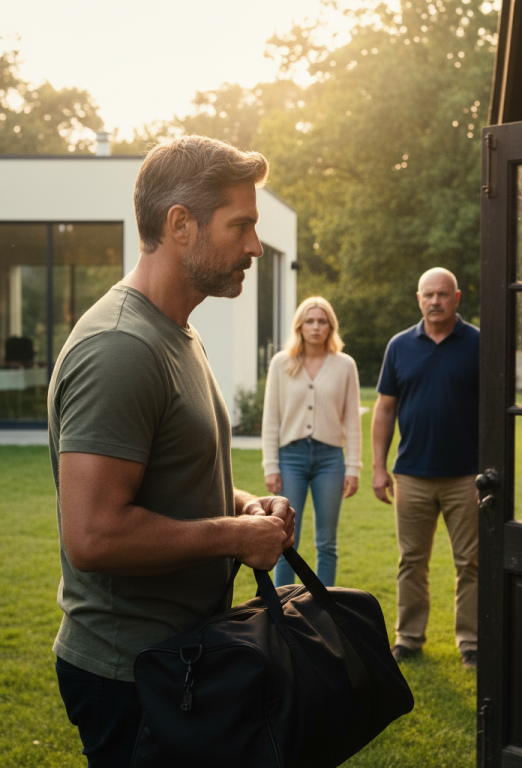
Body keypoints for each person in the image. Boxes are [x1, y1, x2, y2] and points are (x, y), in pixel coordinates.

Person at [48, 135, 295, 768]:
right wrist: (234, 537)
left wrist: (245, 506)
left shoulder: (176, 332)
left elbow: (173, 474)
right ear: (179, 224)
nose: (254, 247)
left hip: (180, 658)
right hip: (130, 674)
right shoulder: (121, 347)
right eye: (239, 225)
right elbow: (95, 535)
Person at [372, 267, 480, 669]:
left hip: (466, 476)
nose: (434, 301)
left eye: (442, 294)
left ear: (456, 298)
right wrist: (379, 468)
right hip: (412, 475)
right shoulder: (400, 346)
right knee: (411, 560)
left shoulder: (478, 343)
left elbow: (493, 410)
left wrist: (488, 470)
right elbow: (384, 408)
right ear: (419, 299)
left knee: (470, 562)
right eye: (427, 295)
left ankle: (471, 641)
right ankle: (409, 638)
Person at [261, 296, 362, 587]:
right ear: (300, 326)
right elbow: (271, 419)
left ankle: (324, 611)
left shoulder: (345, 365)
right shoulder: (282, 363)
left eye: (321, 321)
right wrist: (271, 465)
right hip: (289, 458)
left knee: (327, 543)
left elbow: (353, 422)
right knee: (285, 540)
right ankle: (282, 610)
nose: (315, 327)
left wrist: (353, 467)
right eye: (310, 321)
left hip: (330, 460)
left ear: (330, 326)